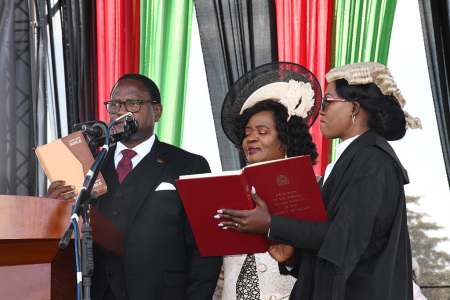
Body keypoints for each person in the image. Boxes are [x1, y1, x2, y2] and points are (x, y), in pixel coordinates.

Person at [216, 62, 422, 299]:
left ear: (354, 108)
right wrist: (292, 258)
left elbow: (344, 237)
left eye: (328, 102)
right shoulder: (353, 159)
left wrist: (272, 224)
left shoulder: (374, 162)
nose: (321, 110)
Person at [46, 73, 222, 299]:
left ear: (156, 111)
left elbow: (205, 246)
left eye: (133, 103)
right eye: (115, 104)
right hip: (96, 291)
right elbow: (67, 240)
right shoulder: (90, 166)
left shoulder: (189, 165)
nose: (121, 110)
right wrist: (52, 211)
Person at [217, 62, 322, 299]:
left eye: (262, 132)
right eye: (246, 133)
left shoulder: (317, 188)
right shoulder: (230, 190)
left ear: (286, 139)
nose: (251, 138)